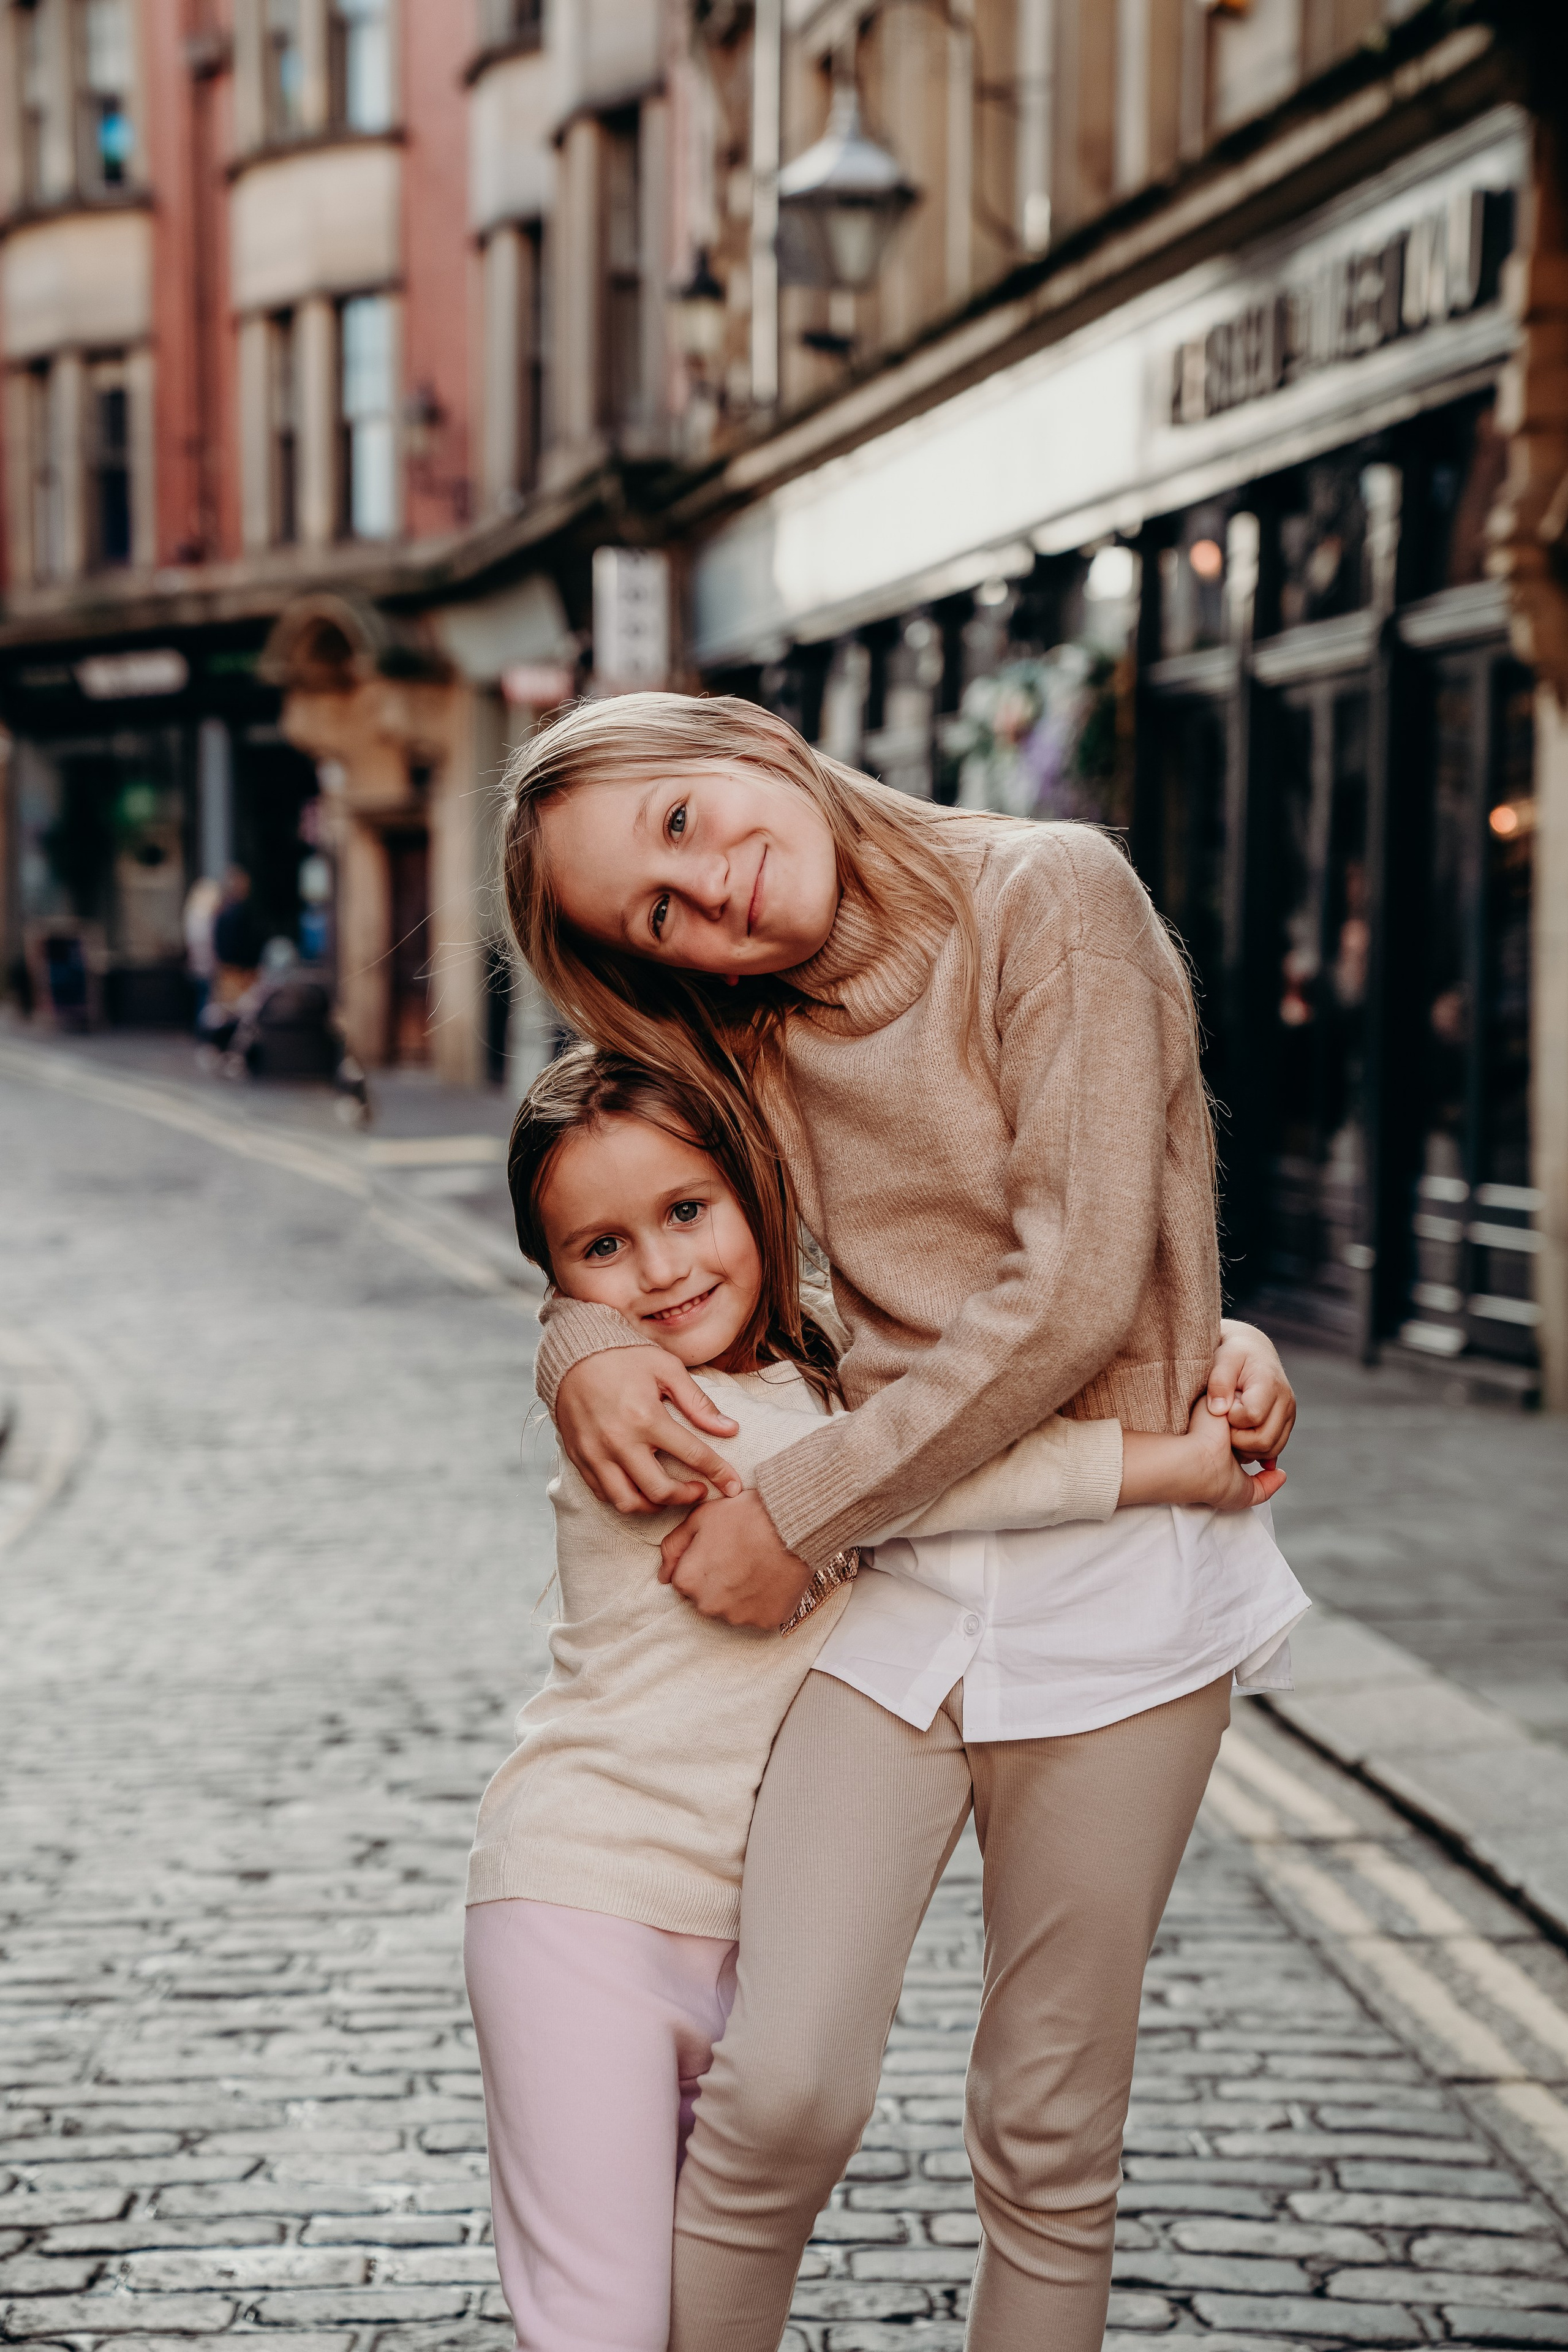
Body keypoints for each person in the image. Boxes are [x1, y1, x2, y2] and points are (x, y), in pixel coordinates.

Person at [499, 692, 1302, 2352]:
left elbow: (1075, 1291)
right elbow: (607, 1193)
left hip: (1122, 1602)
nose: (709, 886)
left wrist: (797, 1501)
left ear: (744, 743)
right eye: (655, 911)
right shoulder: (745, 1033)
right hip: (892, 1601)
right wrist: (575, 1342)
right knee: (779, 2087)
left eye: (678, 823)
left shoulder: (1051, 897)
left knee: (1047, 2135)